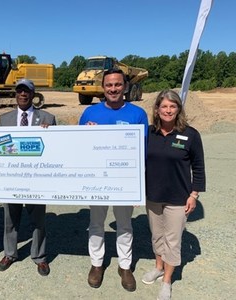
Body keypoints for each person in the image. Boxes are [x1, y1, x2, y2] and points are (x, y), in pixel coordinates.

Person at [79, 68, 148, 292]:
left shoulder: (137, 114)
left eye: (118, 84)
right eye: (109, 85)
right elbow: (76, 147)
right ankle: (96, 264)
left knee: (125, 224)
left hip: (124, 181)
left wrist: (138, 186)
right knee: (96, 223)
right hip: (97, 179)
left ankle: (125, 266)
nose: (113, 89)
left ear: (125, 86)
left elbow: (142, 152)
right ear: (103, 87)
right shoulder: (89, 113)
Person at [143, 89, 206, 300]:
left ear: (178, 109)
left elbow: (198, 167)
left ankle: (167, 281)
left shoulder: (190, 134)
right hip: (153, 195)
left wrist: (194, 195)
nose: (168, 110)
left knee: (173, 239)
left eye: (172, 106)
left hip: (178, 198)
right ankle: (158, 267)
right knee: (156, 235)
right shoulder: (148, 133)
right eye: (164, 106)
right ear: (157, 109)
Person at [0, 78, 57, 276]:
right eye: (20, 91)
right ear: (15, 94)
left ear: (33, 94)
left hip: (37, 180)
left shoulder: (47, 118)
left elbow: (57, 149)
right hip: (12, 180)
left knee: (38, 220)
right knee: (10, 219)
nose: (23, 94)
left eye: (27, 91)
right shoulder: (4, 119)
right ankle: (10, 253)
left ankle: (39, 257)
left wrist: (50, 135)